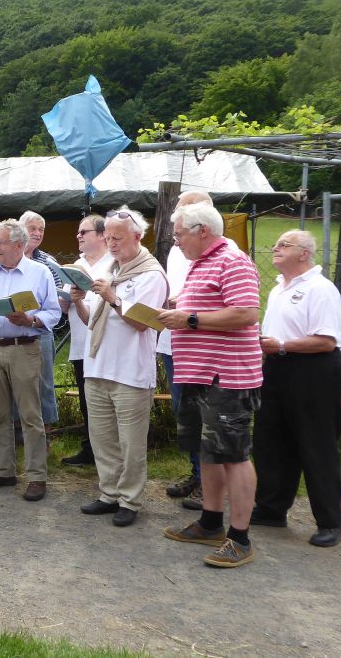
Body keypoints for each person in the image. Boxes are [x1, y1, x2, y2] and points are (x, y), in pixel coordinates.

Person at [158, 200, 262, 568]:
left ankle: (240, 538)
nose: (176, 242)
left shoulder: (233, 261)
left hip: (227, 376)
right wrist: (181, 311)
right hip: (199, 374)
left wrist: (189, 319)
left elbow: (246, 312)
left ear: (202, 231)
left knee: (234, 455)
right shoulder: (200, 264)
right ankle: (210, 522)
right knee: (209, 452)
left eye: (179, 235)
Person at [253, 230, 341, 548]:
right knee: (270, 439)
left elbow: (326, 341)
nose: (275, 248)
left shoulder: (320, 288)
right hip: (277, 366)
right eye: (276, 243)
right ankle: (271, 508)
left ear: (304, 253)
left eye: (284, 245)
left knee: (316, 444)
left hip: (314, 370)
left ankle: (330, 521)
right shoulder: (278, 288)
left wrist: (280, 344)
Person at [75, 209, 167, 527]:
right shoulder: (109, 269)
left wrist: (113, 297)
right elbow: (90, 320)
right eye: (108, 237)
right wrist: (78, 300)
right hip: (97, 366)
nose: (111, 243)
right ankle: (109, 493)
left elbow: (142, 322)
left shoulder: (151, 274)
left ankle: (130, 500)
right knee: (102, 438)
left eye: (118, 238)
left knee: (131, 443)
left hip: (130, 372)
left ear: (137, 237)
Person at [0, 219, 61, 502]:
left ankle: (36, 476)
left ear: (19, 245)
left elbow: (54, 312)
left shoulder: (40, 272)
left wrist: (30, 320)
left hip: (24, 348)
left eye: (1, 242)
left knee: (30, 415)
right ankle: (4, 470)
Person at [61, 214, 112, 467]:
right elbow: (63, 305)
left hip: (105, 344)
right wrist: (66, 299)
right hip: (81, 344)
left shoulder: (112, 264)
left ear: (102, 235)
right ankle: (90, 449)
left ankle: (108, 453)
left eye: (84, 232)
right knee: (86, 400)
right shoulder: (76, 264)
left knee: (105, 402)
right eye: (78, 232)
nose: (78, 236)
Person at [19, 211, 62, 436]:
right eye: (32, 228)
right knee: (15, 382)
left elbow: (59, 297)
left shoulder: (48, 262)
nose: (37, 233)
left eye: (41, 229)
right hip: (11, 332)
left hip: (40, 331)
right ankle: (19, 433)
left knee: (43, 383)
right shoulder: (6, 257)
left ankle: (44, 435)